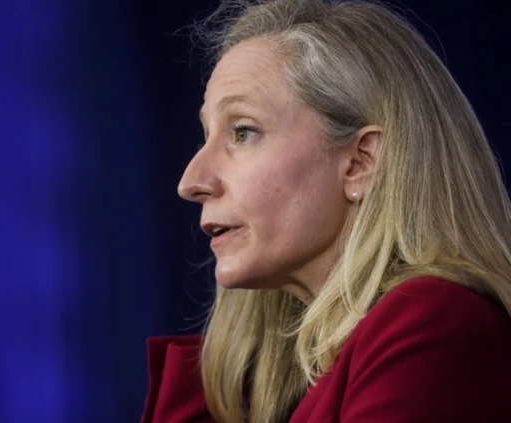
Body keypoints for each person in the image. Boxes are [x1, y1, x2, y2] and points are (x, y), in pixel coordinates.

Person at [141, 0, 511, 422]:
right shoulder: (269, 381)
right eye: (206, 135)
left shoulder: (435, 322)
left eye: (243, 131)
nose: (191, 181)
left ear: (360, 162)